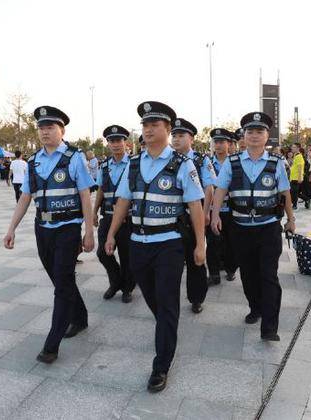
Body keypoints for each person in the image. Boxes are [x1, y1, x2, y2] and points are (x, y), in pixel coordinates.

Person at [105, 101, 205, 393]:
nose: (148, 130)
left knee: (167, 300)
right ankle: (167, 328)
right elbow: (123, 201)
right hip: (138, 243)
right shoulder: (134, 163)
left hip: (169, 245)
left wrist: (201, 244)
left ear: (167, 129)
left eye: (154, 125)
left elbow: (195, 206)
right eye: (145, 126)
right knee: (154, 300)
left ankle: (161, 365)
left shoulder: (183, 164)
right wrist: (111, 235)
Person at [4, 105, 95, 365]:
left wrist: (88, 231)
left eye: (50, 127)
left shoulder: (75, 157)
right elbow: (25, 197)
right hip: (42, 229)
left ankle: (51, 344)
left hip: (68, 229)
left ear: (61, 130)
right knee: (59, 278)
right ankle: (80, 316)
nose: (45, 132)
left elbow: (85, 195)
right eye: (41, 128)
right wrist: (11, 229)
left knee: (63, 282)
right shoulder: (33, 161)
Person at [211, 111, 295, 341]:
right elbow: (220, 190)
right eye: (250, 131)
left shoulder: (277, 163)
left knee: (269, 276)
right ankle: (255, 307)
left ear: (267, 135)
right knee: (248, 274)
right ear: (243, 136)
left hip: (268, 227)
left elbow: (284, 192)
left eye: (260, 131)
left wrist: (291, 220)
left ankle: (269, 327)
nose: (255, 136)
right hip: (240, 227)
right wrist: (215, 215)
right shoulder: (232, 162)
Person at [171, 118, 216, 313]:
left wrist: (205, 213)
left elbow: (209, 187)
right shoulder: (168, 159)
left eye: (181, 135)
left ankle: (196, 298)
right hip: (173, 219)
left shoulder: (200, 160)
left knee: (195, 258)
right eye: (174, 135)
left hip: (193, 217)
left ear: (191, 138)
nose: (176, 139)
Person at [93, 125, 134, 303]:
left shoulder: (135, 164)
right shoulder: (104, 166)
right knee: (103, 253)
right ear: (108, 144)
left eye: (119, 140)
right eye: (111, 141)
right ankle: (115, 281)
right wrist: (94, 211)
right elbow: (101, 190)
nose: (115, 144)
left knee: (127, 256)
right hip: (108, 216)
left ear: (126, 143)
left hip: (128, 219)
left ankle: (127, 289)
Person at [206, 129, 238, 286]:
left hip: (231, 211)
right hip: (213, 211)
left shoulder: (235, 163)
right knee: (212, 243)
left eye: (221, 142)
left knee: (231, 243)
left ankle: (231, 269)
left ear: (229, 144)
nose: (218, 145)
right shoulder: (207, 163)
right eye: (215, 142)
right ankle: (213, 274)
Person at [289, 143, 304, 209]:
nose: (292, 148)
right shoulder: (296, 156)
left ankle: (295, 205)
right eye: (292, 147)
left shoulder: (299, 156)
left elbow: (300, 167)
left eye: (294, 147)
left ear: (298, 148)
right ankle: (307, 199)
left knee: (294, 192)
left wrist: (300, 178)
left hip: (296, 177)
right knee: (293, 192)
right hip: (293, 177)